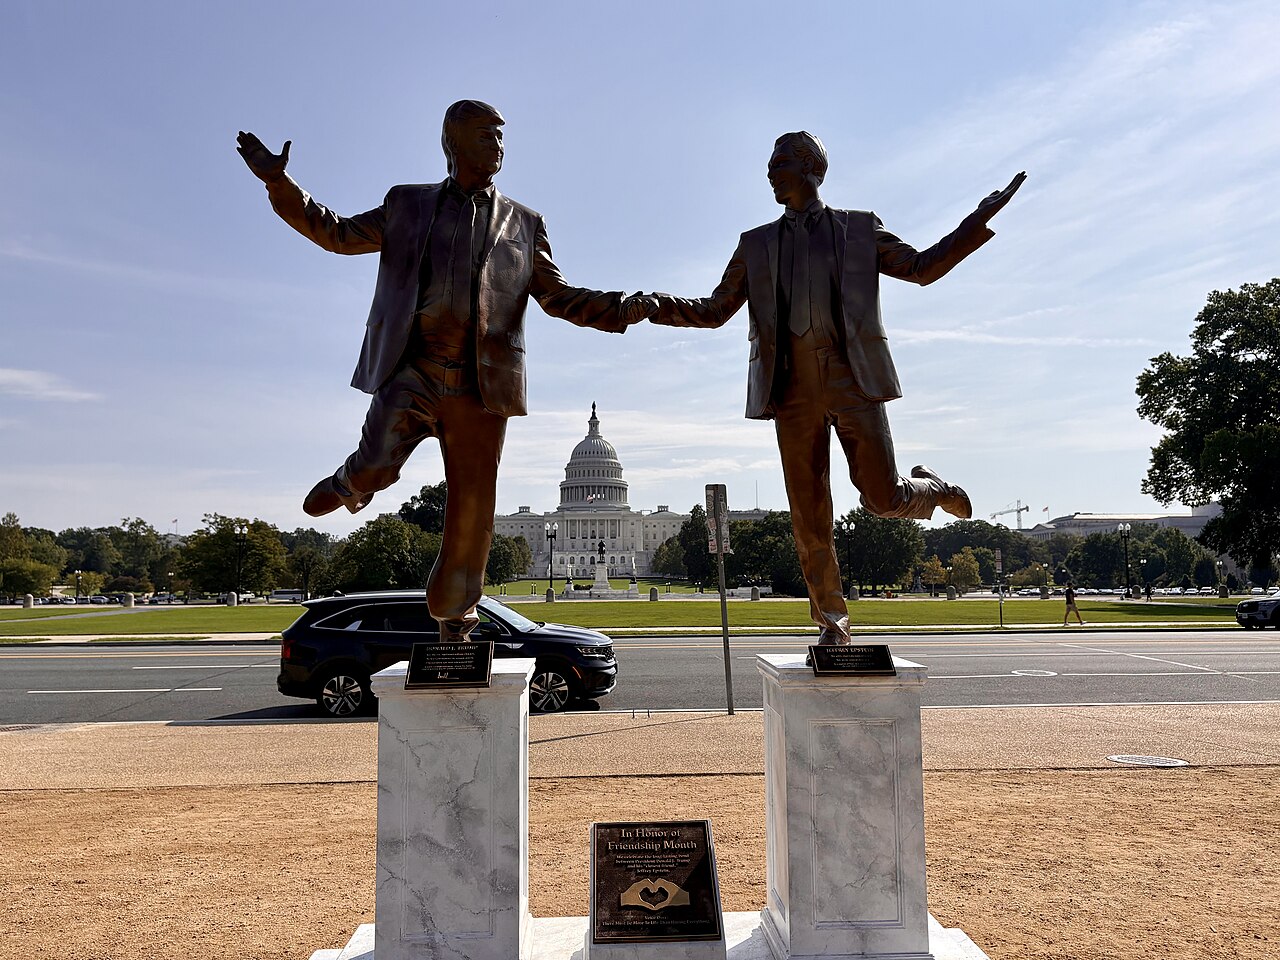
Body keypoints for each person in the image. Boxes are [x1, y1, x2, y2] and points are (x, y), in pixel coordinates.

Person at [237, 101, 636, 640]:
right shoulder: (407, 205)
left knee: (472, 510)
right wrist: (281, 183)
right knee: (378, 464)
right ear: (453, 143)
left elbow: (559, 297)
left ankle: (456, 618)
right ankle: (353, 480)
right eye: (486, 135)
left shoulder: (524, 223)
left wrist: (626, 307)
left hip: (481, 384)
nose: (498, 145)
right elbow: (335, 232)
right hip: (414, 367)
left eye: (500, 137)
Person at [624, 132, 1024, 645]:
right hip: (791, 391)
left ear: (814, 168)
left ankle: (933, 489)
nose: (771, 172)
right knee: (810, 515)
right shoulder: (756, 244)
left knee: (881, 499)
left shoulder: (858, 229)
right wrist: (656, 304)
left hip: (852, 378)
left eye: (782, 162)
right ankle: (833, 622)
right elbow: (714, 310)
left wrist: (976, 221)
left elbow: (922, 268)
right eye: (770, 164)